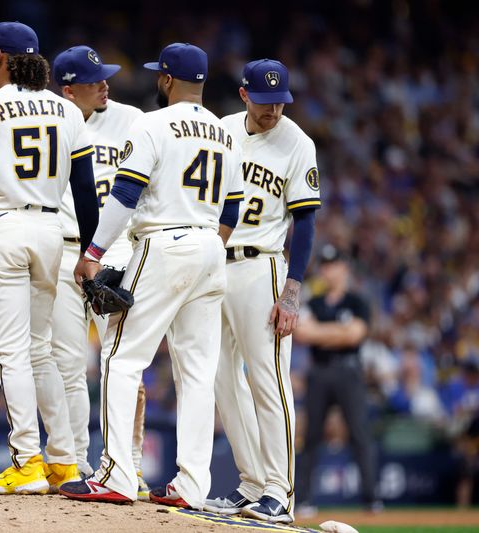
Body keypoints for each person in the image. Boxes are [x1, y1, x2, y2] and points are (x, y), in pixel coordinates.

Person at [60, 43, 244, 510]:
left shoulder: (153, 122)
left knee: (121, 359)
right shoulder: (225, 133)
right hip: (210, 246)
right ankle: (192, 485)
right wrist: (208, 251)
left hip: (165, 241)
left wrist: (94, 251)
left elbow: (125, 192)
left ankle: (117, 473)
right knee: (198, 374)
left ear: (165, 80)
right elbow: (234, 207)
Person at [0, 21, 99, 495]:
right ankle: (65, 462)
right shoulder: (66, 109)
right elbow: (86, 193)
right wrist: (90, 251)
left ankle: (27, 461)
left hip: (2, 227)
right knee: (41, 349)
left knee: (11, 352)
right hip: (51, 228)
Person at [204, 59, 320, 524]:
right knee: (221, 378)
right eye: (266, 100)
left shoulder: (298, 142)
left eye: (281, 101)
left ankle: (280, 491)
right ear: (244, 94)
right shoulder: (223, 129)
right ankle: (252, 483)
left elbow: (307, 220)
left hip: (263, 265)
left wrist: (291, 292)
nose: (274, 110)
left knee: (267, 380)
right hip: (216, 261)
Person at [50, 44, 149, 495]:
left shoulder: (132, 119)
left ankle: (128, 465)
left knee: (122, 364)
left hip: (114, 255)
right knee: (68, 364)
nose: (105, 83)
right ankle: (73, 463)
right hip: (63, 252)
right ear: (68, 90)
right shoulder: (51, 119)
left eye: (105, 75)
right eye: (95, 80)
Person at [293, 244, 382, 513]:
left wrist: (322, 332)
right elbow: (302, 334)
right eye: (325, 266)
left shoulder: (357, 301)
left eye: (334, 265)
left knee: (359, 433)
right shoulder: (314, 303)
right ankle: (305, 498)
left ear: (344, 268)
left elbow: (356, 335)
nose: (329, 271)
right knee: (311, 436)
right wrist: (338, 333)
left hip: (348, 371)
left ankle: (371, 498)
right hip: (319, 371)